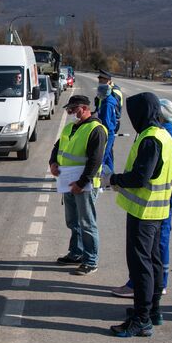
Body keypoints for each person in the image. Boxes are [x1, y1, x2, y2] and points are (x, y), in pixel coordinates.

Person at [109, 92, 172, 337]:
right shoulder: (164, 135)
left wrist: (113, 179)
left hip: (144, 212)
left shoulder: (150, 139)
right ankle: (152, 311)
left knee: (141, 266)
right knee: (154, 261)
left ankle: (141, 320)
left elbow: (140, 177)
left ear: (142, 113)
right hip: (158, 210)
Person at [50, 95, 108, 275]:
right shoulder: (71, 127)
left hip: (84, 186)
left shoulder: (96, 129)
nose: (69, 113)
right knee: (73, 221)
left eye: (72, 109)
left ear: (83, 108)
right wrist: (52, 162)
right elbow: (57, 147)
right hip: (67, 182)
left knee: (87, 223)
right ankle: (76, 252)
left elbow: (95, 160)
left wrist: (81, 183)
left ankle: (91, 260)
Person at [97, 84, 119, 172]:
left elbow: (106, 120)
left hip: (107, 132)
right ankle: (110, 175)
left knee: (102, 156)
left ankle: (98, 178)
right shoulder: (109, 101)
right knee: (108, 155)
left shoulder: (107, 104)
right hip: (110, 131)